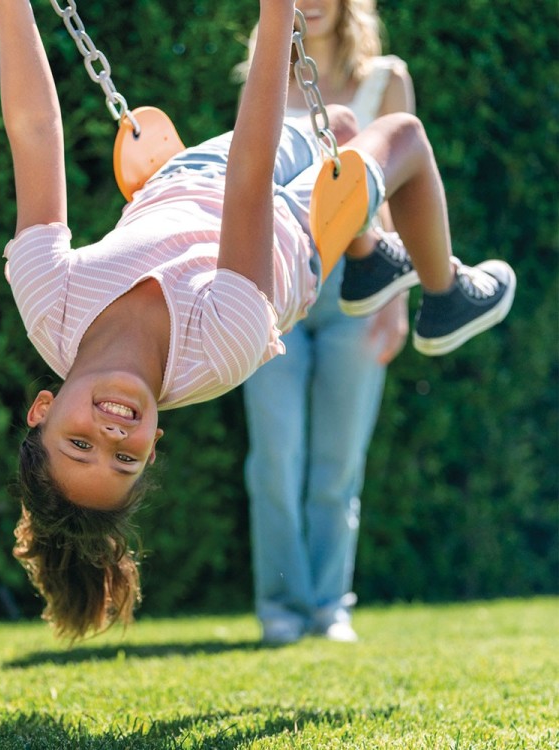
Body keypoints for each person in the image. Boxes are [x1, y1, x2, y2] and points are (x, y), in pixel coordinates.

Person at [0, 0, 516, 641]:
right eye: (125, 459)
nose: (111, 433)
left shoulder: (49, 302)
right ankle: (445, 298)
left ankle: (372, 260)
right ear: (153, 447)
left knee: (342, 123)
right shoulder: (218, 350)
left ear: (42, 409)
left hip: (191, 176)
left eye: (80, 444)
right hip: (293, 234)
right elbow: (251, 177)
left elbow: (33, 130)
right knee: (403, 136)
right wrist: (276, 15)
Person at [237, 0, 415, 645]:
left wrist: (396, 300)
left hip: (359, 290)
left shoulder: (386, 79)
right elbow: (246, 184)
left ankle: (328, 608)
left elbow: (399, 193)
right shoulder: (263, 74)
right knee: (275, 458)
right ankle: (281, 607)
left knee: (338, 465)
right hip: (276, 287)